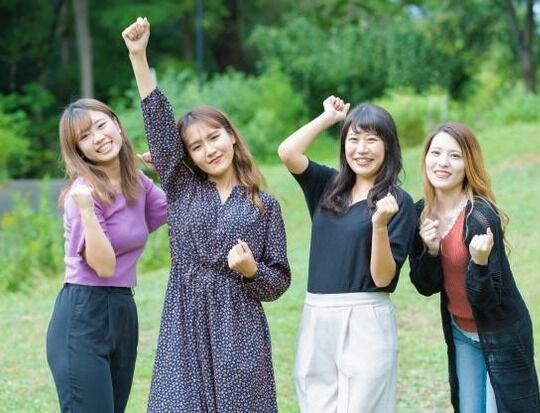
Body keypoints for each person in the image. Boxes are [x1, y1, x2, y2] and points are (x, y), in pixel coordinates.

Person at [121, 17, 291, 412]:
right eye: (196, 146)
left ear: (231, 136)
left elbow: (279, 281)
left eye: (214, 137)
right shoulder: (181, 186)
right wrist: (139, 57)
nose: (209, 150)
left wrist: (251, 270)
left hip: (239, 325)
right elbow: (159, 127)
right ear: (188, 156)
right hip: (186, 319)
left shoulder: (264, 205)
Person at [278, 96, 416, 412]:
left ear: (389, 146)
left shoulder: (398, 202)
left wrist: (379, 225)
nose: (361, 149)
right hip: (317, 314)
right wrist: (328, 118)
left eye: (372, 140)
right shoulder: (327, 185)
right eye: (353, 139)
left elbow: (383, 278)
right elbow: (288, 152)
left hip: (366, 317)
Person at [46, 98, 168, 413]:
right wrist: (87, 210)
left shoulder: (137, 181)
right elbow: (103, 266)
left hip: (123, 309)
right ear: (78, 150)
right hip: (83, 313)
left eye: (101, 125)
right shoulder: (81, 196)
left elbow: (178, 210)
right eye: (85, 136)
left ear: (116, 124)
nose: (98, 138)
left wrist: (167, 173)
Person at [409, 122, 540, 413]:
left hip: (502, 332)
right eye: (436, 153)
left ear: (468, 164)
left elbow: (487, 300)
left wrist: (480, 263)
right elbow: (425, 286)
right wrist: (431, 251)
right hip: (460, 332)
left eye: (454, 156)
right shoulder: (420, 213)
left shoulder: (480, 216)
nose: (442, 162)